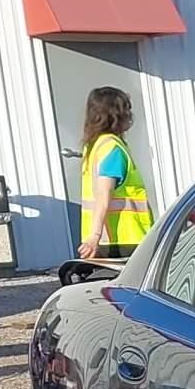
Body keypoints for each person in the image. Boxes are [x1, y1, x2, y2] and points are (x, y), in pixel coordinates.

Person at [76, 87, 153, 260]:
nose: (130, 115)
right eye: (127, 110)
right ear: (116, 115)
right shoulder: (113, 149)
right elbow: (104, 194)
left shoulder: (95, 146)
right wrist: (94, 237)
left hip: (106, 240)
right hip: (124, 240)